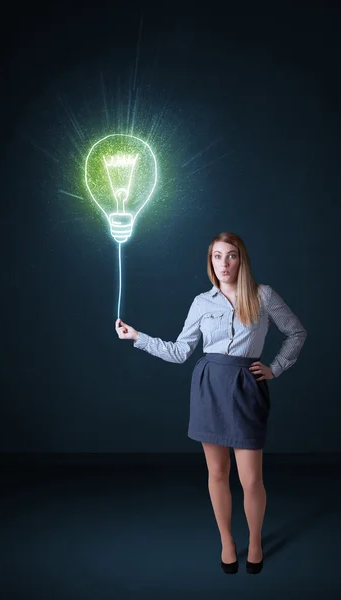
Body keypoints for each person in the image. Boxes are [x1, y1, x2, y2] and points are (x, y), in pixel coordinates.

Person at [115, 231, 307, 575]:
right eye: (217, 257)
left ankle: (256, 541)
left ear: (241, 259)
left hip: (247, 387)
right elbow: (180, 351)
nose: (224, 264)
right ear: (210, 262)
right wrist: (137, 337)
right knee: (217, 473)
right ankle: (227, 543)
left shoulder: (263, 296)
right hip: (208, 388)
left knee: (251, 479)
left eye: (230, 256)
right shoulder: (202, 302)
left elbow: (296, 332)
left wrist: (275, 368)